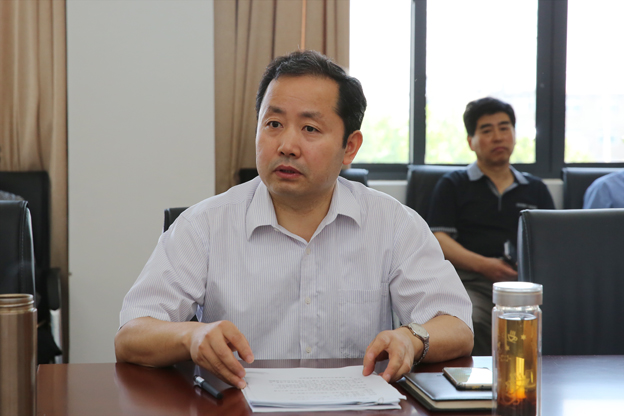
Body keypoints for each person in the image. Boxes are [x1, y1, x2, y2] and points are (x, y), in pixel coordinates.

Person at [115, 50, 473, 389]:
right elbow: (131, 335)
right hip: (237, 404)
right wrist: (190, 336)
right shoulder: (204, 225)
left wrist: (411, 339)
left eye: (310, 129)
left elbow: (456, 325)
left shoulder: (393, 223)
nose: (287, 145)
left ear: (349, 147)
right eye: (273, 123)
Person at [427, 97, 554, 356]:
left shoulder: (536, 188)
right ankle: (483, 380)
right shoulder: (453, 184)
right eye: (487, 130)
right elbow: (439, 238)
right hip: (473, 282)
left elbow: (553, 239)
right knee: (474, 321)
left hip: (527, 283)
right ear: (470, 141)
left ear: (514, 135)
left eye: (504, 128)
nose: (498, 137)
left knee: (563, 316)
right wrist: (484, 265)